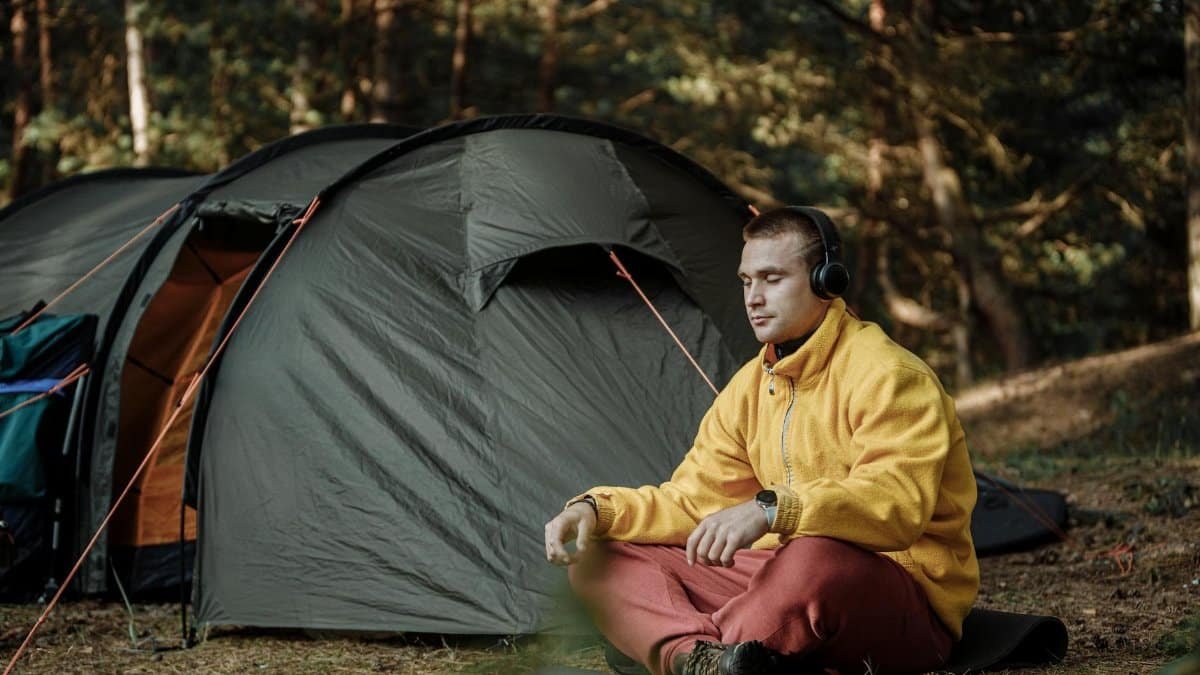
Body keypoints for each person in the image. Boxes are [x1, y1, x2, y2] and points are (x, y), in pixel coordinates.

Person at [543, 206, 979, 675]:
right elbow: (691, 502)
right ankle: (701, 660)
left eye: (772, 278)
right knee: (601, 555)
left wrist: (771, 508)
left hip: (898, 595)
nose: (753, 297)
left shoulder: (891, 376)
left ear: (825, 281)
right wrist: (596, 509)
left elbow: (895, 506)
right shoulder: (750, 387)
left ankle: (688, 642)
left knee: (815, 554)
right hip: (778, 581)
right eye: (747, 281)